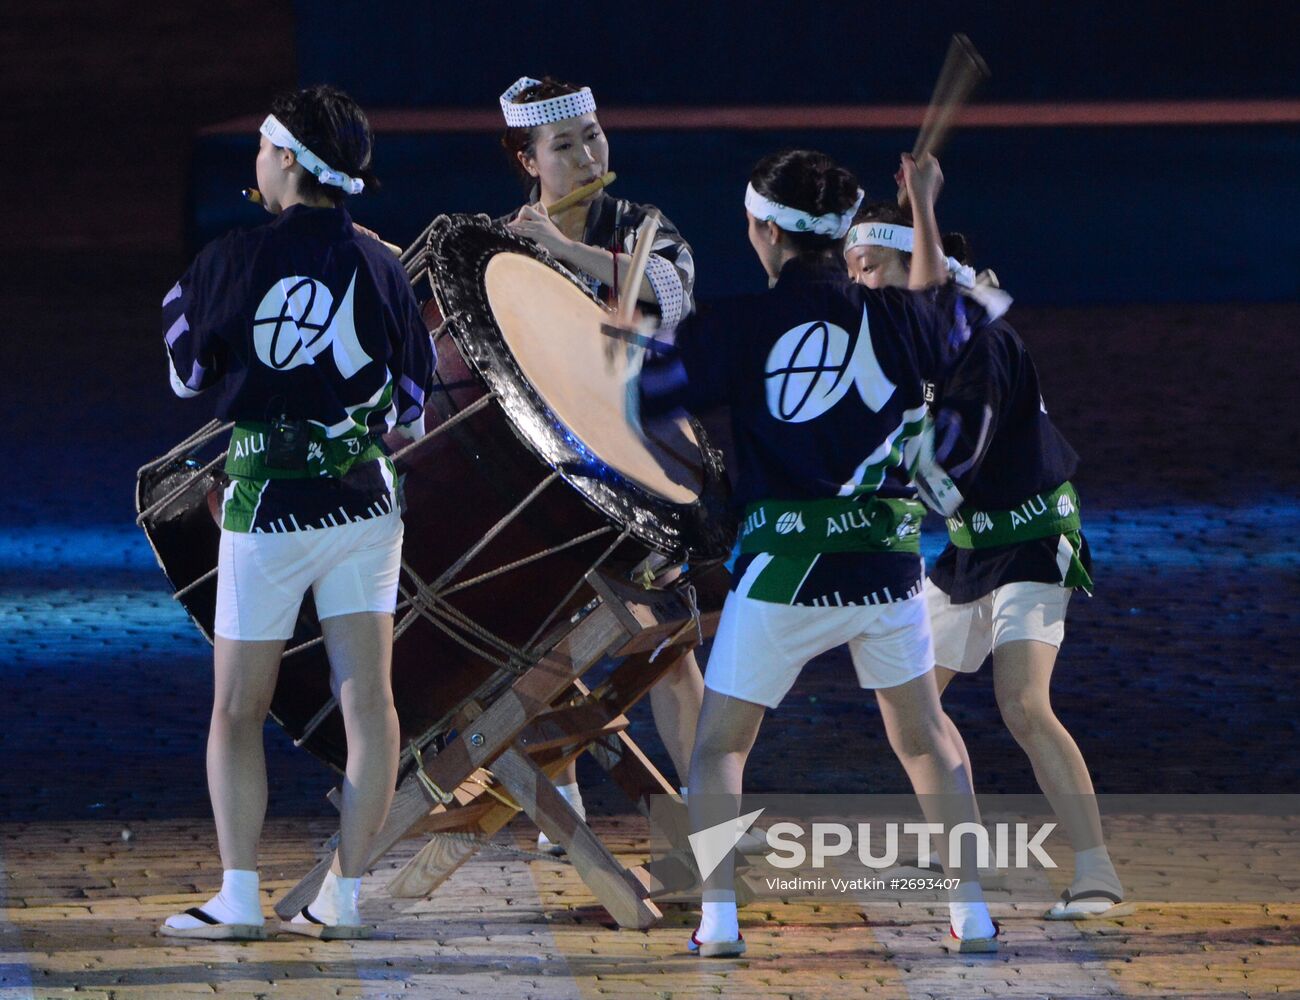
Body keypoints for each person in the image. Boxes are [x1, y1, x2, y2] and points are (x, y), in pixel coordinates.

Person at [632, 149, 999, 956]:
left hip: (784, 572)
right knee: (926, 739)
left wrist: (637, 337)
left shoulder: (739, 325)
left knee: (719, 747)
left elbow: (647, 397)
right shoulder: (901, 319)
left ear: (763, 231)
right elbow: (951, 307)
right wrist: (925, 204)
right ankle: (971, 911)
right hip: (885, 570)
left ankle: (718, 923)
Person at [159, 84, 434, 940]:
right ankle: (342, 897)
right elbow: (413, 408)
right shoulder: (382, 264)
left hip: (268, 506)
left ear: (284, 159)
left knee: (238, 709)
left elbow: (185, 375)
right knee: (370, 705)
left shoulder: (231, 258)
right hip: (365, 505)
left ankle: (239, 897)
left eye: (262, 147)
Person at [845, 202, 1130, 920]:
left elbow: (949, 464)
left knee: (1024, 705)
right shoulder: (911, 341)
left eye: (870, 267)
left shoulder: (982, 344)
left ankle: (1096, 871)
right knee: (912, 705)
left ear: (915, 267)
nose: (857, 282)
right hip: (969, 545)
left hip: (1031, 536)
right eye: (851, 269)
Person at [497, 75, 704, 851]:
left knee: (669, 649)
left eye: (593, 135)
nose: (588, 155)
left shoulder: (641, 225)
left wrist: (563, 251)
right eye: (564, 144)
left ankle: (707, 808)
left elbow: (671, 295)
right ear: (528, 160)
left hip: (637, 467)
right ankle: (564, 803)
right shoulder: (503, 245)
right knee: (544, 649)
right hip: (545, 473)